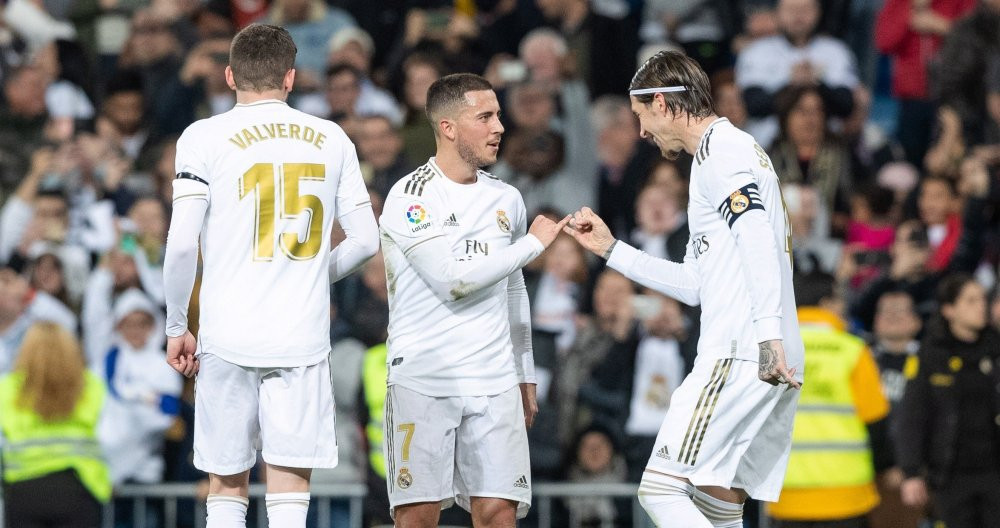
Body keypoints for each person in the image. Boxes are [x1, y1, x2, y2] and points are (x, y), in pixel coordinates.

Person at [564, 50, 804, 528]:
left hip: (742, 350)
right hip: (762, 347)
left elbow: (754, 232)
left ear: (662, 102)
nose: (642, 133)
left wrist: (765, 334)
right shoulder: (725, 155)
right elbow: (695, 285)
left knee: (661, 490)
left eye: (641, 117)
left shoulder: (721, 152)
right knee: (718, 505)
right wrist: (613, 250)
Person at [162, 24, 379, 528]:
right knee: (288, 489)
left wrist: (176, 325)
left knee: (226, 482)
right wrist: (307, 277)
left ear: (230, 75)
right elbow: (367, 240)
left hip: (227, 333)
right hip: (299, 336)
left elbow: (179, 246)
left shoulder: (203, 136)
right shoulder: (332, 137)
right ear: (291, 77)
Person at [378, 73, 569, 527]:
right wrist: (533, 244)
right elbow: (452, 281)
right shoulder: (410, 196)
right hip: (425, 378)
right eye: (485, 117)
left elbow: (513, 287)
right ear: (448, 127)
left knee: (499, 516)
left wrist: (523, 371)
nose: (499, 127)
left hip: (494, 378)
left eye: (498, 115)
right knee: (418, 518)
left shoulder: (507, 199)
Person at [767, 271, 890, 527]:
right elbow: (876, 419)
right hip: (846, 495)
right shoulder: (852, 350)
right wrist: (886, 468)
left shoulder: (771, 352)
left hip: (785, 494)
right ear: (826, 304)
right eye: (839, 300)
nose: (843, 306)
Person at [894, 274, 1000, 528]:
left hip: (995, 472)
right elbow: (913, 417)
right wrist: (911, 472)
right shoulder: (930, 355)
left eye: (982, 299)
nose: (980, 306)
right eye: (971, 300)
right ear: (949, 309)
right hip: (950, 475)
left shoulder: (996, 350)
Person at [0, 322, 111, 528]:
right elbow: (113, 437)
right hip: (79, 489)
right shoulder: (91, 386)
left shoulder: (6, 389)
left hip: (23, 491)